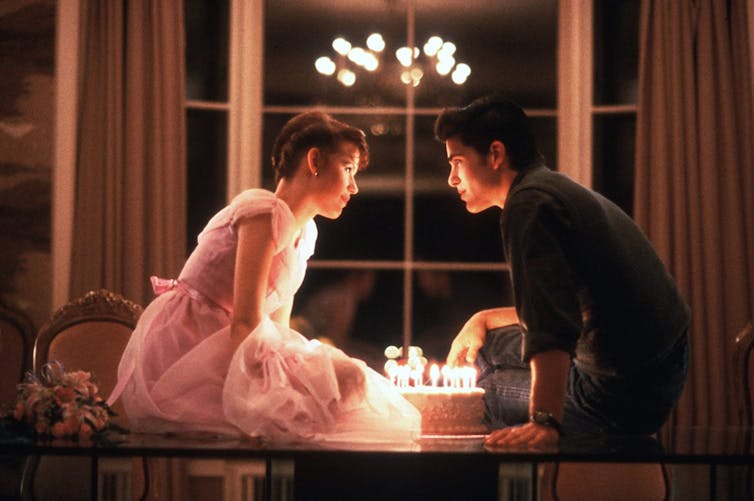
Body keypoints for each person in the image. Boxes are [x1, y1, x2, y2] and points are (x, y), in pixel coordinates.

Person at [108, 111, 420, 443]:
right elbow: (245, 322)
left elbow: (278, 329)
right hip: (193, 348)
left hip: (240, 344)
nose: (354, 187)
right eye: (347, 169)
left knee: (347, 382)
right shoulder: (262, 212)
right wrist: (273, 390)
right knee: (334, 389)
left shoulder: (305, 233)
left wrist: (296, 377)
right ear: (314, 161)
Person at [434, 95, 690, 448]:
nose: (452, 179)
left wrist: (544, 421)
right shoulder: (549, 186)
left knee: (480, 394)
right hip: (659, 365)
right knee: (485, 349)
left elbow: (550, 328)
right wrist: (484, 317)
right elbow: (569, 306)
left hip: (620, 392)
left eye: (458, 162)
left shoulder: (528, 206)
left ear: (495, 154)